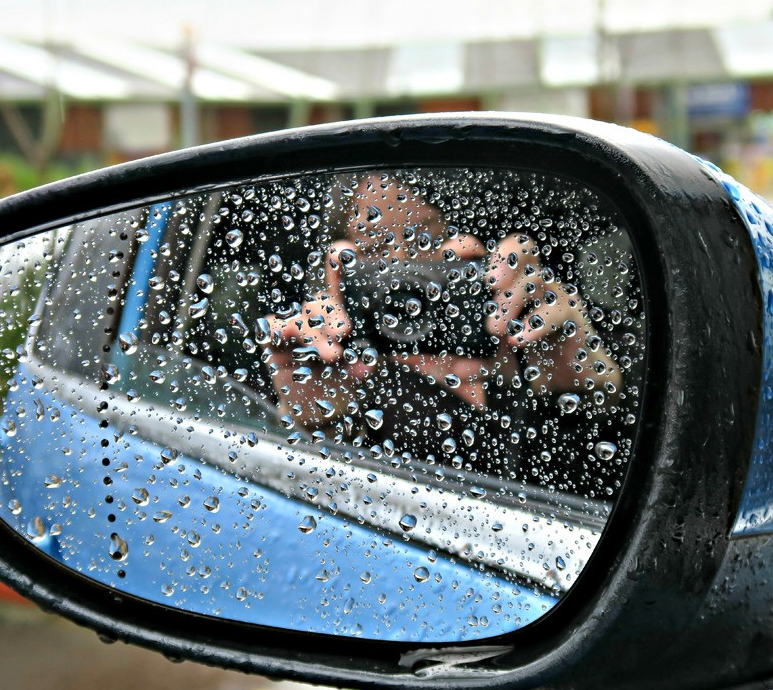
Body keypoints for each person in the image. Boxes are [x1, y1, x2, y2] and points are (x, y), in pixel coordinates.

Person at [262, 173, 620, 482]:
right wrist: (318, 412)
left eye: (426, 241)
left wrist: (574, 374)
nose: (405, 273)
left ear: (467, 250)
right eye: (375, 253)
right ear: (338, 272)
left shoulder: (514, 345)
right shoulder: (346, 376)